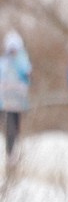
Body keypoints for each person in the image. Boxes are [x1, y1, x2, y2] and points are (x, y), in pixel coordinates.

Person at [0, 33, 28, 163]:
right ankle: (9, 154)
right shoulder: (3, 63)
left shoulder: (23, 62)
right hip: (4, 103)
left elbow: (27, 78)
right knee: (9, 129)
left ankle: (12, 155)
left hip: (17, 103)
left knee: (15, 130)